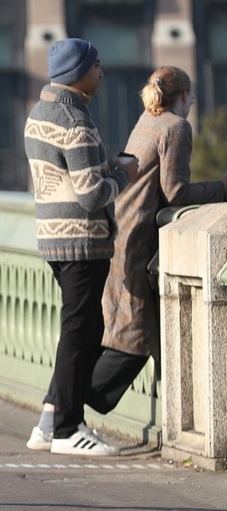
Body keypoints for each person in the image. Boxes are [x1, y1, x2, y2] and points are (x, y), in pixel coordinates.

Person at [23, 38, 138, 456]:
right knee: (80, 334)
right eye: (97, 66)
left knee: (80, 330)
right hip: (83, 240)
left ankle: (49, 421)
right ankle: (68, 430)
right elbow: (91, 194)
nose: (102, 72)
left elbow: (69, 176)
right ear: (80, 72)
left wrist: (104, 170)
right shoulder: (75, 120)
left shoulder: (38, 114)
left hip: (53, 236)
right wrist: (125, 174)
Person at [89, 66, 227, 413]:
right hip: (138, 240)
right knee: (133, 335)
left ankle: (67, 406)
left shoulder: (147, 120)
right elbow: (176, 192)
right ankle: (72, 404)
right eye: (191, 94)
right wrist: (223, 188)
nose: (193, 100)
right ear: (183, 96)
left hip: (120, 229)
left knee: (124, 325)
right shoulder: (177, 127)